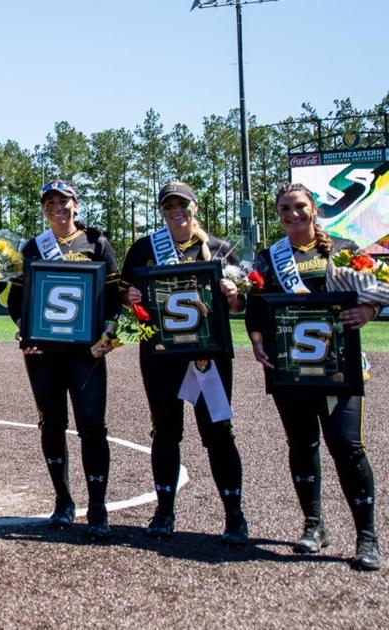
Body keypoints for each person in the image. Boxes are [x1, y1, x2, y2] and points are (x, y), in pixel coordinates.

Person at [246, 182, 382, 571]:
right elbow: (255, 308)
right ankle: (314, 526)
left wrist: (369, 312)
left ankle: (367, 536)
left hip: (339, 368)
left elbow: (376, 291)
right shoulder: (269, 259)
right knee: (302, 444)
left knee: (346, 445)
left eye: (299, 206)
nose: (293, 214)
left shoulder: (343, 250)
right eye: (284, 209)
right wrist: (257, 341)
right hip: (291, 369)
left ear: (314, 208)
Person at [119, 181, 248, 545]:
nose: (176, 211)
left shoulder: (219, 249)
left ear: (195, 207)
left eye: (182, 205)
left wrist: (234, 296)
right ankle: (164, 512)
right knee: (165, 432)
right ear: (162, 211)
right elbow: (124, 295)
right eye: (168, 206)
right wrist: (130, 297)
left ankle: (234, 515)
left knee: (218, 433)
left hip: (208, 356)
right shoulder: (145, 248)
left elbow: (239, 306)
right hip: (162, 357)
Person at [7, 180, 121, 539]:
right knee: (51, 424)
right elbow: (16, 302)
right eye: (50, 202)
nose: (57, 207)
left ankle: (98, 506)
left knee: (92, 425)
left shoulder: (97, 244)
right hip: (44, 353)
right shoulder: (33, 247)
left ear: (76, 205)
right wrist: (25, 330)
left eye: (63, 201)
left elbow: (115, 299)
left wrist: (109, 334)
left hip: (86, 353)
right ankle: (63, 500)